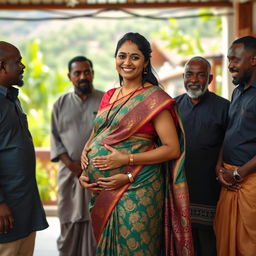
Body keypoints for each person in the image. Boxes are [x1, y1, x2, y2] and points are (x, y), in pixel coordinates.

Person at [79, 32, 194, 255]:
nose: (127, 62)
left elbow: (172, 149)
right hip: (103, 190)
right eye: (122, 56)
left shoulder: (155, 99)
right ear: (115, 60)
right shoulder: (109, 96)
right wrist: (85, 165)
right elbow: (98, 133)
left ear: (145, 63)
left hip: (140, 189)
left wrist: (126, 160)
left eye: (135, 57)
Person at [175, 57, 230, 256]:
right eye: (189, 74)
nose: (194, 79)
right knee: (183, 243)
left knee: (208, 244)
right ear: (183, 77)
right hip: (180, 186)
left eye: (201, 74)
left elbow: (228, 142)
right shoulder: (173, 107)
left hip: (210, 189)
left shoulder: (224, 107)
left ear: (210, 78)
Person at [50, 56, 104, 256]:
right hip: (69, 175)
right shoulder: (60, 104)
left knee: (96, 223)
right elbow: (55, 138)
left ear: (93, 73)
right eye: (78, 73)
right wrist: (73, 165)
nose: (83, 76)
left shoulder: (105, 100)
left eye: (87, 71)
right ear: (69, 76)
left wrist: (90, 166)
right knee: (68, 221)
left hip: (98, 174)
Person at [0, 41, 48, 255]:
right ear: (2, 66)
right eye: (17, 62)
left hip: (24, 207)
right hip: (5, 212)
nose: (23, 66)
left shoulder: (11, 99)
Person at [214, 36, 256, 256]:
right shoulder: (237, 91)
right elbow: (230, 133)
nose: (230, 65)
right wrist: (220, 167)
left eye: (235, 59)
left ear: (253, 60)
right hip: (229, 179)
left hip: (248, 184)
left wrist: (238, 174)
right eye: (229, 59)